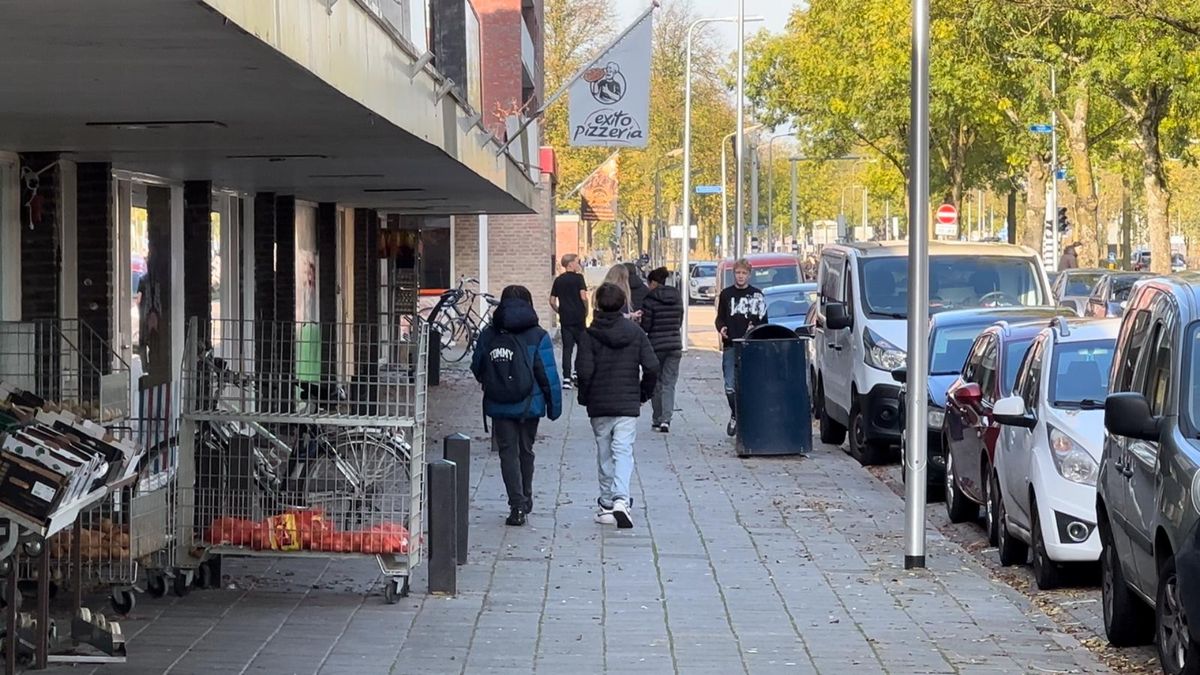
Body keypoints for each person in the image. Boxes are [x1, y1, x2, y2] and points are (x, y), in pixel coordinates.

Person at [471, 285, 562, 527]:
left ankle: (516, 505)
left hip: (499, 403)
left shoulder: (489, 334)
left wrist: (494, 381)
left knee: (507, 453)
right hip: (529, 404)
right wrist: (554, 406)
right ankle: (527, 495)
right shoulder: (537, 335)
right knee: (526, 449)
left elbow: (477, 366)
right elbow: (548, 374)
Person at [577, 283, 659, 529]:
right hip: (627, 403)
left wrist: (585, 396)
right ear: (623, 303)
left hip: (600, 404)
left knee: (604, 452)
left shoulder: (589, 335)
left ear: (597, 305)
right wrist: (643, 393)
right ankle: (622, 498)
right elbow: (652, 366)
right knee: (623, 451)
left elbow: (584, 371)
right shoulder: (635, 333)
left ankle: (606, 503)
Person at [714, 259, 768, 437]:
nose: (741, 276)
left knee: (748, 385)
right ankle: (735, 413)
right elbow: (720, 317)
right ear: (733, 274)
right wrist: (721, 328)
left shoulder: (757, 295)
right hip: (731, 345)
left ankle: (747, 419)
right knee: (730, 385)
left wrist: (755, 330)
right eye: (738, 273)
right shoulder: (726, 295)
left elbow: (764, 322)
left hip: (750, 347)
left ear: (749, 275)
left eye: (744, 273)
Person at [641, 267, 684, 433]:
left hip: (656, 346)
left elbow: (646, 326)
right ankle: (667, 419)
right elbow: (679, 320)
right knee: (669, 383)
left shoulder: (649, 300)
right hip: (674, 345)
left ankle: (657, 418)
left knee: (656, 381)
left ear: (653, 283)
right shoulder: (676, 297)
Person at [549, 254, 589, 389]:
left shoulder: (558, 280)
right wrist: (586, 308)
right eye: (578, 262)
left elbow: (552, 301)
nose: (579, 265)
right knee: (582, 346)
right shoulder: (579, 278)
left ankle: (566, 378)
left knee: (567, 348)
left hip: (565, 318)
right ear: (570, 264)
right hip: (578, 318)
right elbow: (583, 296)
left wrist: (559, 310)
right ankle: (577, 373)